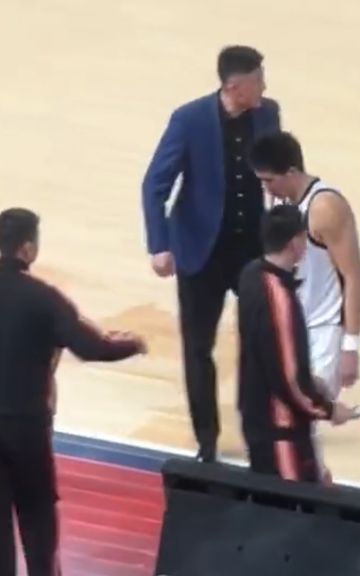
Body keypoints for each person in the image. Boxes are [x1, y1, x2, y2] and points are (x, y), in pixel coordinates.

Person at [141, 46, 281, 462]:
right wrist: (160, 245)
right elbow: (155, 184)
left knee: (261, 342)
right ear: (234, 87)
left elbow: (280, 170)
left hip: (251, 249)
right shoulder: (189, 120)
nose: (265, 86)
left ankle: (259, 432)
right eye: (258, 80)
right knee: (198, 347)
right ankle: (207, 441)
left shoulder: (269, 114)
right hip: (200, 250)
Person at [0, 208, 146, 576]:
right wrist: (131, 344)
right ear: (28, 249)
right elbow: (91, 347)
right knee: (37, 519)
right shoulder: (44, 298)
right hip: (27, 427)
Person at [249, 132, 360, 482]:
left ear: (290, 172)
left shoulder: (325, 208)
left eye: (269, 180)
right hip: (287, 327)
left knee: (300, 420)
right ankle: (317, 481)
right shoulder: (279, 204)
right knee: (289, 423)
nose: (266, 188)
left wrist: (350, 346)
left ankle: (313, 485)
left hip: (322, 331)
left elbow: (355, 276)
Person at [237, 205, 353, 482]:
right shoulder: (280, 300)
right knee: (292, 504)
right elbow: (289, 380)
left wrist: (311, 382)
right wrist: (328, 408)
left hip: (257, 414)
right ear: (296, 243)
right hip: (281, 429)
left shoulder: (251, 274)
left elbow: (270, 355)